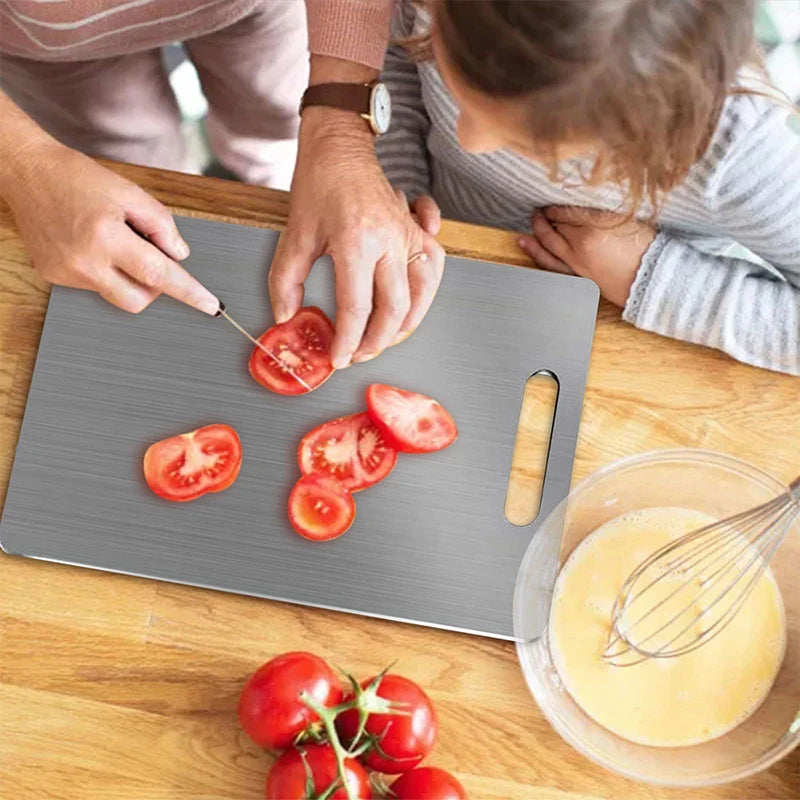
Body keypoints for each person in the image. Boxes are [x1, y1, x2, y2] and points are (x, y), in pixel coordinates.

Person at [0, 0, 441, 370]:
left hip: (259, 8)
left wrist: (339, 126)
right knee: (128, 170)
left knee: (274, 131)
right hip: (49, 45)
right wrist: (22, 161)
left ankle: (271, 188)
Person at [373, 0, 800, 376]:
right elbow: (396, 58)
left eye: (528, 145)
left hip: (635, 348)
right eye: (457, 88)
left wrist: (648, 276)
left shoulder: (734, 151)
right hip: (459, 271)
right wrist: (398, 186)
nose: (468, 141)